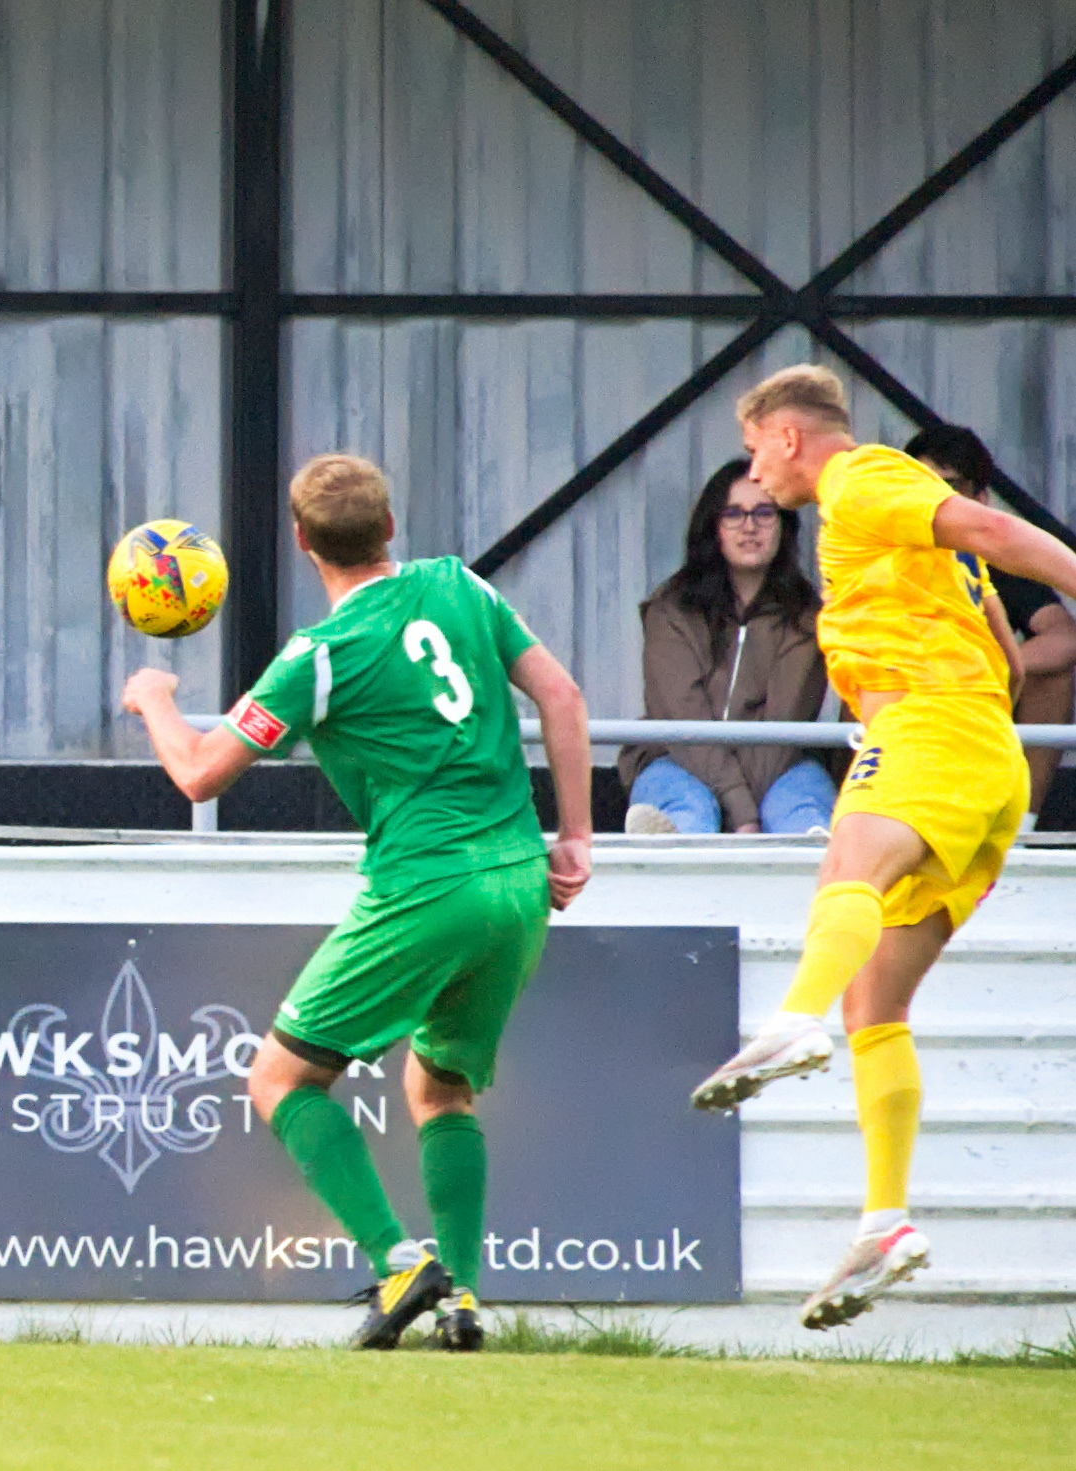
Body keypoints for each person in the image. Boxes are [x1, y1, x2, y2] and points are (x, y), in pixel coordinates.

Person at [122, 454, 592, 1352]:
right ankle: (462, 1300)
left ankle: (397, 1260)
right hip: (517, 878)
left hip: (427, 884)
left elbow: (196, 774)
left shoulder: (317, 658)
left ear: (302, 544)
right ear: (387, 528)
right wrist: (574, 835)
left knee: (280, 1078)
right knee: (440, 1085)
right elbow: (562, 696)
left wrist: (153, 700)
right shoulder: (459, 586)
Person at [690, 366, 1076, 1330]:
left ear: (783, 436)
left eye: (750, 450)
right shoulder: (879, 537)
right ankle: (885, 1222)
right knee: (876, 1001)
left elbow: (988, 529)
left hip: (930, 733)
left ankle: (789, 1020)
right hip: (982, 757)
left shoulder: (861, 479)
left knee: (845, 871)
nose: (752, 474)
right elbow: (996, 629)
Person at [620, 460, 833, 835]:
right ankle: (674, 847)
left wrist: (741, 809)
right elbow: (685, 720)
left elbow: (783, 726)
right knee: (687, 807)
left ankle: (814, 851)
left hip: (779, 767)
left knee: (802, 806)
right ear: (713, 527)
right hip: (676, 758)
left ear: (784, 526)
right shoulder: (671, 610)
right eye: (733, 513)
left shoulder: (807, 617)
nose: (749, 526)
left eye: (764, 513)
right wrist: (743, 811)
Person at [905, 423, 1076, 825]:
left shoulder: (996, 557)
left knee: (1054, 675)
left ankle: (1021, 827)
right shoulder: (887, 553)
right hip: (906, 701)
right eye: (922, 486)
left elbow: (1065, 635)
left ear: (980, 499)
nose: (937, 503)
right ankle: (853, 817)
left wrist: (981, 666)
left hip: (975, 701)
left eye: (951, 488)